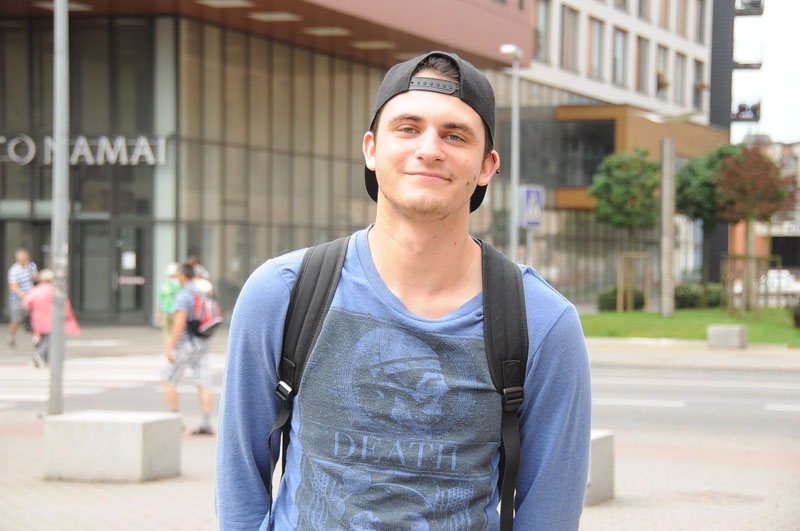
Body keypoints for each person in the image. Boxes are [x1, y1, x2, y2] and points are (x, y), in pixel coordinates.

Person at [216, 51, 591, 530]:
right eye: (408, 128)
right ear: (371, 149)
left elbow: (550, 514)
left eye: (454, 135)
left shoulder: (542, 321)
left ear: (487, 166)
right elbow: (240, 484)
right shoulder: (283, 293)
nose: (429, 149)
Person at [160, 262, 214, 435]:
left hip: (187, 344)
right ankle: (206, 422)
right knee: (203, 382)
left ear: (183, 276)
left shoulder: (184, 294)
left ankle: (176, 421)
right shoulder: (202, 292)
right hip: (203, 342)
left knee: (168, 379)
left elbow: (179, 322)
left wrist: (170, 345)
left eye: (178, 276)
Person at [22, 269, 80, 367]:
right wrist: (68, 317)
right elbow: (64, 304)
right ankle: (39, 354)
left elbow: (27, 304)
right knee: (49, 339)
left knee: (45, 337)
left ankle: (45, 358)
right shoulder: (55, 291)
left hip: (37, 319)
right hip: (51, 318)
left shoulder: (35, 290)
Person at [7, 248, 38, 347]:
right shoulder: (14, 270)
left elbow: (36, 279)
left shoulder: (31, 266)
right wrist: (24, 296)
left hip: (30, 295)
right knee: (16, 319)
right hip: (17, 298)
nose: (24, 260)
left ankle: (35, 339)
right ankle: (11, 336)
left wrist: (32, 275)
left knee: (34, 317)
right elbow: (14, 287)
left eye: (25, 258)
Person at [157, 263, 181, 341]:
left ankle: (170, 345)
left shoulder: (165, 284)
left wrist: (159, 313)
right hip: (177, 311)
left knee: (167, 333)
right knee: (177, 331)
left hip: (166, 310)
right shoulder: (180, 284)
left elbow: (161, 300)